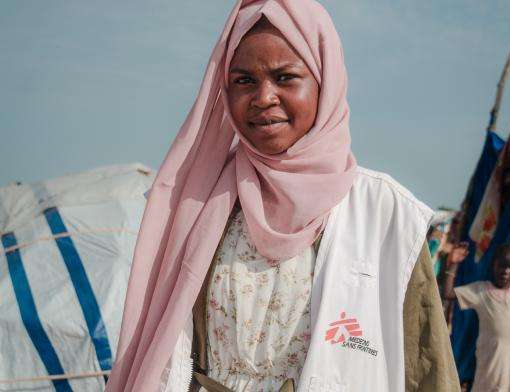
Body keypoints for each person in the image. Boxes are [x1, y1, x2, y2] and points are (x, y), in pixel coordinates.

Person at [105, 1, 460, 391]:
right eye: (243, 81)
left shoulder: (386, 214)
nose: (263, 97)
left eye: (285, 77)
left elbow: (425, 364)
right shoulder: (199, 205)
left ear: (324, 82)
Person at [443, 243, 510, 391]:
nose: (505, 271)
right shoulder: (481, 290)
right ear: (494, 264)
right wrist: (453, 264)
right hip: (488, 370)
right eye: (502, 265)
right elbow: (448, 294)